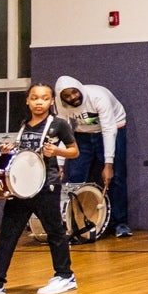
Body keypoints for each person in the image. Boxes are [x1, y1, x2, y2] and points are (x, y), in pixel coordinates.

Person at [0, 82, 81, 294]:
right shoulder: (24, 125)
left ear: (51, 102)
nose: (38, 102)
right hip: (21, 188)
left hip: (46, 186)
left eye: (43, 98)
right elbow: (23, 154)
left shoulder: (58, 125)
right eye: (34, 98)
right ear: (27, 101)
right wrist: (9, 150)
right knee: (7, 235)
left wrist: (58, 150)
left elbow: (74, 151)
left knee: (55, 232)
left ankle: (65, 276)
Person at [54, 75, 131, 237]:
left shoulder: (98, 96)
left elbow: (109, 129)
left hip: (113, 126)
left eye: (74, 93)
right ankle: (77, 223)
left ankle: (121, 224)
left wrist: (108, 164)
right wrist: (59, 163)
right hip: (83, 132)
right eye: (66, 96)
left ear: (79, 89)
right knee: (75, 178)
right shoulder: (60, 105)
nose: (72, 98)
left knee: (115, 177)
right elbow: (63, 132)